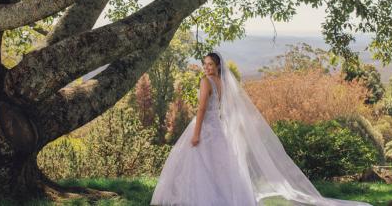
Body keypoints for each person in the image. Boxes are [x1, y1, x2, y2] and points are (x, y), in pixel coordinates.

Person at [150, 51, 372, 206]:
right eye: (204, 64)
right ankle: (223, 199)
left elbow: (200, 110)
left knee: (200, 164)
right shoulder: (222, 81)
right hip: (218, 127)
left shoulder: (206, 81)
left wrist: (196, 134)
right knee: (218, 166)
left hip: (206, 126)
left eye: (210, 64)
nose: (206, 68)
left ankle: (201, 199)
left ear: (217, 65)